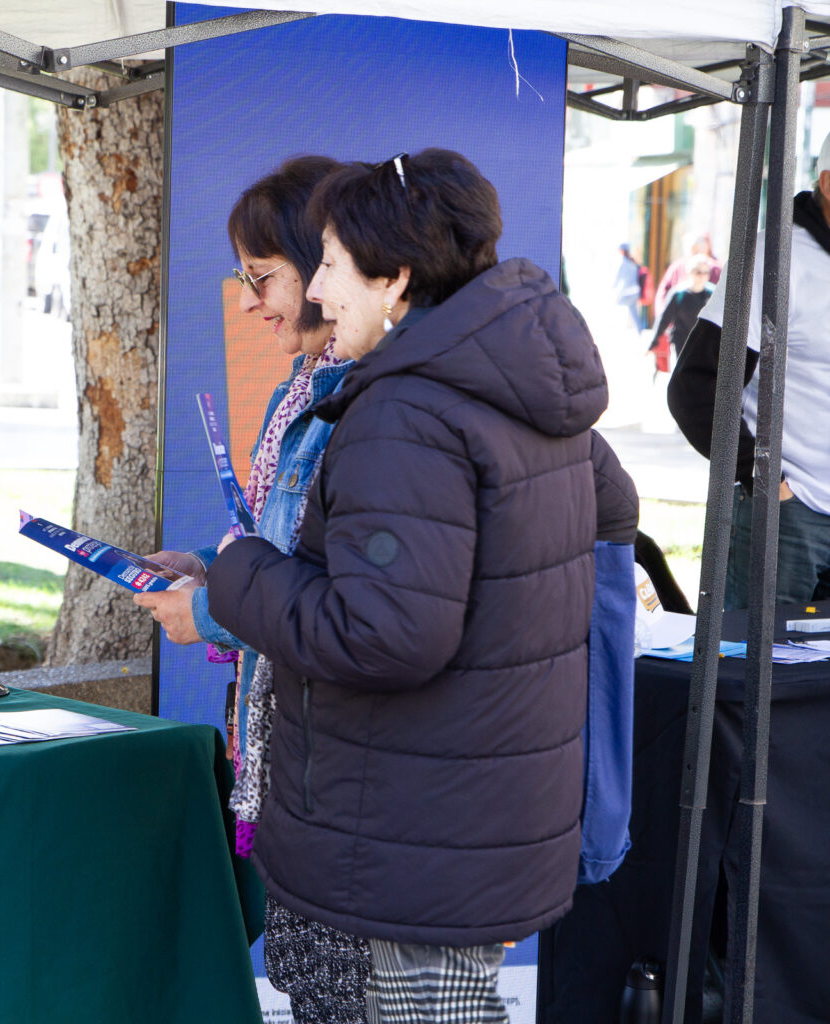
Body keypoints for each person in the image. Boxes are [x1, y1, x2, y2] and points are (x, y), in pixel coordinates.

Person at [204, 149, 608, 1023]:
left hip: (413, 825)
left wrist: (233, 576)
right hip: (468, 810)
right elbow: (605, 516)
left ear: (393, 279)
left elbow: (384, 633)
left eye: (331, 266)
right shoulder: (506, 380)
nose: (319, 291)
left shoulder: (408, 411)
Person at [133, 156, 371, 1024]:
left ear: (330, 268)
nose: (245, 302)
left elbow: (339, 601)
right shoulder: (299, 388)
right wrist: (208, 566)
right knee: (310, 975)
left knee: (345, 985)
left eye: (261, 277)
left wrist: (210, 609)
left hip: (341, 757)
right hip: (289, 740)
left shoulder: (370, 402)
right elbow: (274, 548)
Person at [668, 131, 830, 609]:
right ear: (828, 183)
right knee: (756, 657)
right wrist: (765, 480)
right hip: (790, 517)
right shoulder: (775, 258)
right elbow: (695, 387)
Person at [648, 254, 714, 379]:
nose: (702, 276)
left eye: (706, 272)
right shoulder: (678, 294)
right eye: (698, 272)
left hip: (704, 343)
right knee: (682, 376)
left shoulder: (712, 294)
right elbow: (664, 319)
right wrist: (654, 342)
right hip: (681, 342)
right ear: (689, 272)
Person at [653, 231, 721, 314]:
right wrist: (663, 313)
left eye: (698, 251)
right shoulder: (677, 267)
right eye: (693, 251)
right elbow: (663, 291)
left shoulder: (714, 269)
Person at [613, 242, 646, 332]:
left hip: (627, 293)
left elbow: (617, 278)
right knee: (633, 312)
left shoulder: (623, 262)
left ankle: (618, 329)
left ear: (622, 251)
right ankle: (640, 330)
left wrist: (613, 288)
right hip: (635, 293)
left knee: (616, 305)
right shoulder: (632, 262)